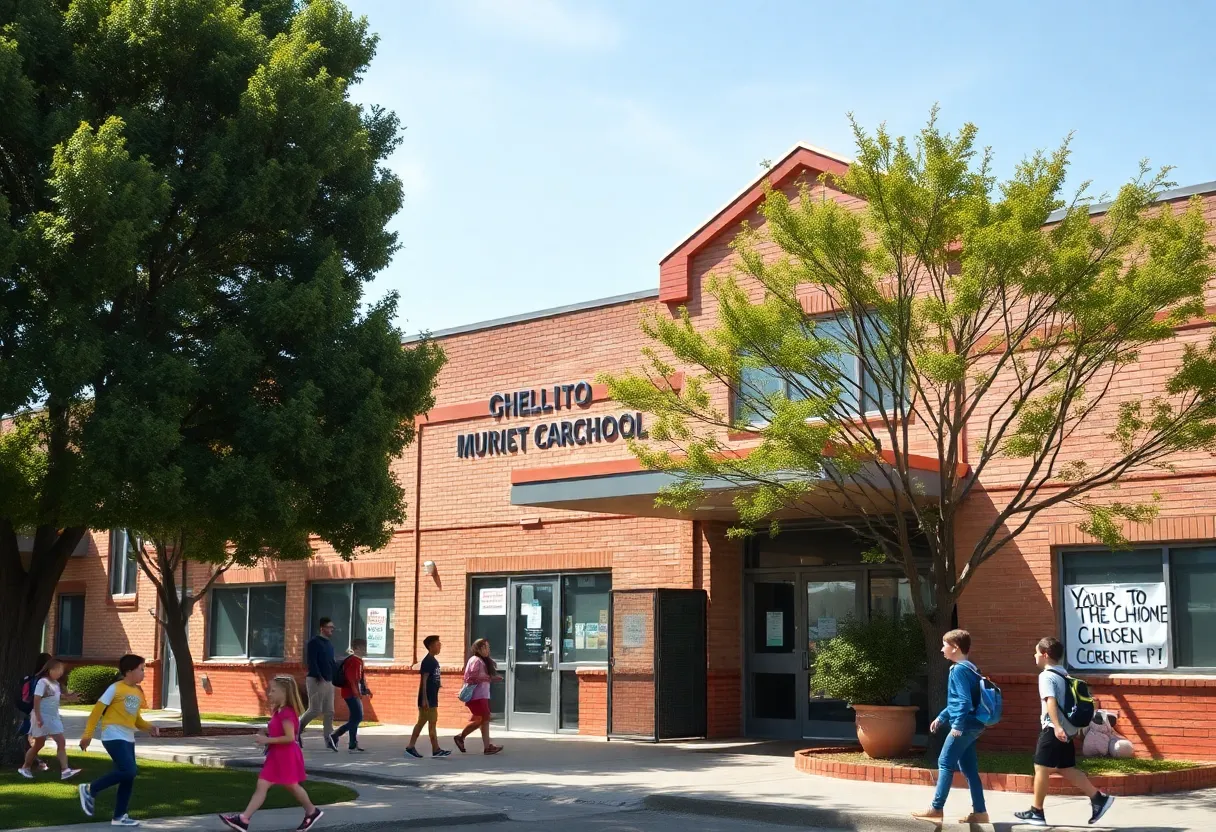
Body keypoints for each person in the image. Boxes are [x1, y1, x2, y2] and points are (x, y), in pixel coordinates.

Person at [1014, 637, 1115, 827]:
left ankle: (1037, 812)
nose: (1034, 656)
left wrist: (1057, 727)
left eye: (1036, 653)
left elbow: (1050, 700)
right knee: (1066, 768)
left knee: (1041, 768)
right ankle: (1098, 799)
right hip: (1068, 731)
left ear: (1044, 655)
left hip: (1054, 730)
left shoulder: (1046, 676)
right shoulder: (1064, 675)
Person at [219, 675, 323, 832]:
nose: (270, 694)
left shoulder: (287, 712)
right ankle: (243, 819)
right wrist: (266, 732)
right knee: (263, 785)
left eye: (274, 690)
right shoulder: (279, 711)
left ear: (285, 693)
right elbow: (279, 730)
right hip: (276, 755)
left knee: (291, 785)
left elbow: (289, 737)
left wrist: (266, 740)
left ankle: (312, 811)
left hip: (286, 755)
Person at [912, 629, 988, 825]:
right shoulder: (972, 668)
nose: (941, 649)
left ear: (955, 648)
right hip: (975, 725)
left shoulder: (959, 670)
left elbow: (963, 702)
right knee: (969, 769)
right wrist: (941, 716)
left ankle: (936, 808)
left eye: (945, 645)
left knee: (945, 763)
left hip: (964, 726)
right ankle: (980, 812)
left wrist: (957, 725)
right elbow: (956, 703)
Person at [78, 654, 160, 828]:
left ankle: (119, 816)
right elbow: (96, 712)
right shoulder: (115, 688)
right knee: (129, 770)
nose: (143, 673)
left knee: (127, 777)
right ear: (129, 671)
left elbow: (136, 719)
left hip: (128, 737)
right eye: (141, 669)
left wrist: (149, 727)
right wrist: (88, 734)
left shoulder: (137, 692)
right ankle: (89, 789)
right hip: (112, 735)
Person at [18, 657, 80, 780]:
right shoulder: (43, 682)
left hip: (53, 717)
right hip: (41, 717)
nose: (60, 672)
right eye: (57, 669)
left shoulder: (55, 684)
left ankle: (65, 770)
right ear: (49, 669)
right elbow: (37, 699)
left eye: (61, 670)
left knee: (60, 741)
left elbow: (54, 696)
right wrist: (39, 718)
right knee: (39, 744)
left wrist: (68, 697)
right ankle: (25, 767)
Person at [453, 638, 502, 755]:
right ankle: (462, 737)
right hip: (477, 696)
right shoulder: (476, 661)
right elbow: (470, 678)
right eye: (485, 647)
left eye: (488, 647)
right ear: (478, 649)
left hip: (482, 695)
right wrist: (491, 679)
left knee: (483, 720)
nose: (488, 649)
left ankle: (487, 746)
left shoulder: (482, 660)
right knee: (483, 719)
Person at [405, 635, 451, 758]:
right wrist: (425, 699)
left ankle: (411, 747)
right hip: (428, 699)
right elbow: (424, 681)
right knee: (431, 723)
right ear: (430, 647)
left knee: (422, 723)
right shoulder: (428, 661)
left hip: (432, 697)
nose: (439, 646)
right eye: (437, 644)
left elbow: (433, 679)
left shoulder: (434, 660)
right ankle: (435, 749)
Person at [299, 617, 337, 751]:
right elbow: (312, 661)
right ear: (322, 628)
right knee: (315, 710)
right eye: (330, 627)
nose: (332, 629)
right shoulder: (314, 642)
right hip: (316, 679)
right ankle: (297, 728)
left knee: (330, 711)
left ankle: (329, 738)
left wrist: (336, 677)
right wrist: (318, 675)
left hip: (329, 681)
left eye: (333, 627)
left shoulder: (329, 644)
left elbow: (332, 663)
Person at [330, 638, 371, 753]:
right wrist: (356, 693)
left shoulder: (359, 661)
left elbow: (360, 679)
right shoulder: (354, 661)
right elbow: (352, 679)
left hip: (352, 692)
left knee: (355, 718)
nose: (365, 650)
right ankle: (336, 735)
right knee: (357, 717)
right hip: (350, 693)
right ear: (356, 649)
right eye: (363, 648)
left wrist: (365, 689)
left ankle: (352, 743)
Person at [16, 652, 53, 773]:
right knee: (38, 740)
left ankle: (31, 763)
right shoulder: (41, 680)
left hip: (28, 710)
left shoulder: (35, 677)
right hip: (34, 712)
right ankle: (30, 764)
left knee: (34, 739)